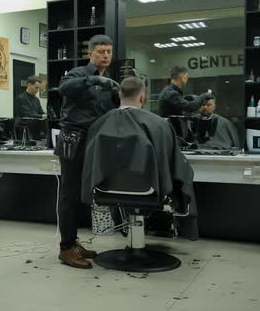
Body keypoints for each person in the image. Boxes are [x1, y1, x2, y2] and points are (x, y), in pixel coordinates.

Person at [82, 77, 198, 241]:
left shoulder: (98, 124)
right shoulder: (159, 124)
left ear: (119, 95)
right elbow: (174, 163)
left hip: (104, 188)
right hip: (150, 188)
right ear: (142, 97)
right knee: (186, 172)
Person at [54, 34, 121, 269]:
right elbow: (64, 88)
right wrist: (93, 80)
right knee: (69, 194)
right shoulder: (78, 73)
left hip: (94, 140)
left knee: (84, 194)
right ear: (90, 53)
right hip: (73, 139)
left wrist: (118, 95)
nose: (105, 55)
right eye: (101, 51)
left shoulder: (109, 79)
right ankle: (65, 248)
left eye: (109, 52)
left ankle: (73, 242)